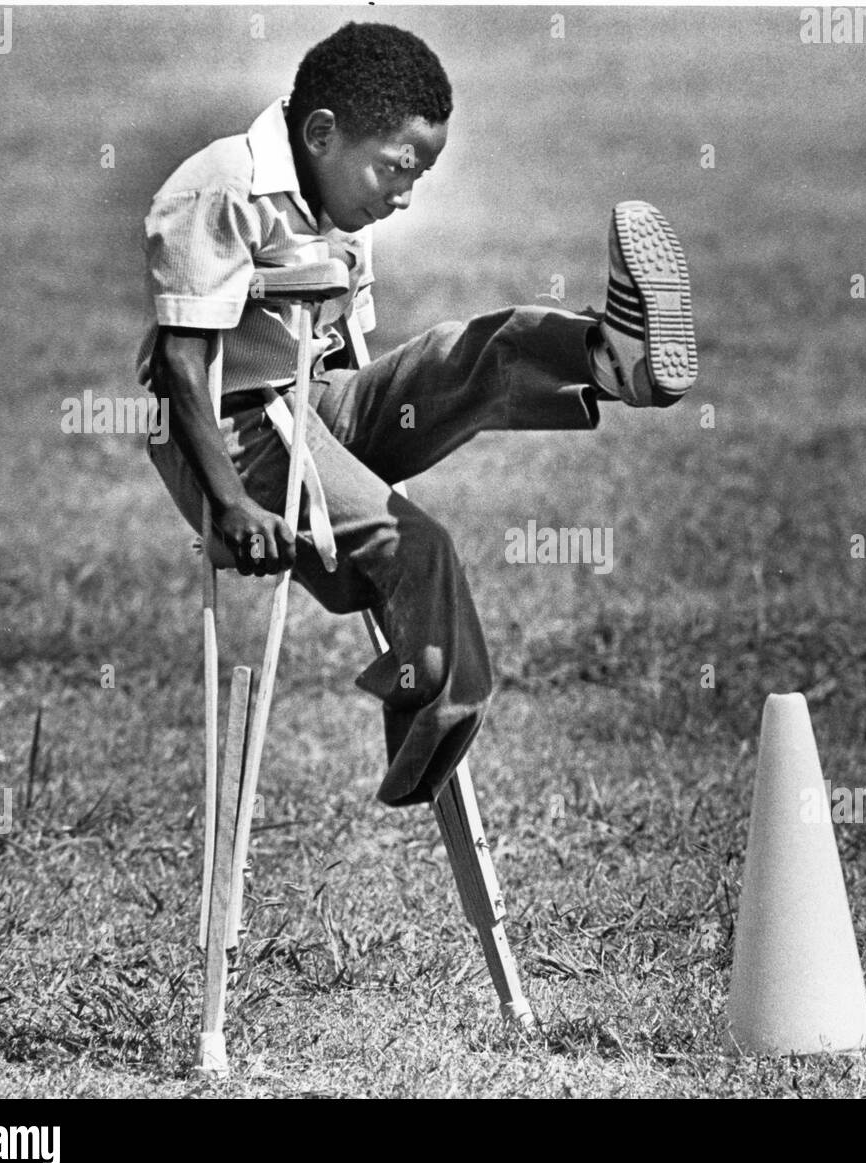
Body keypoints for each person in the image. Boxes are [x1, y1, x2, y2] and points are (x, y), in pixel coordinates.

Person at [140, 22, 697, 809]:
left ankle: (611, 358)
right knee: (418, 546)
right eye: (397, 170)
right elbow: (178, 365)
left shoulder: (339, 204)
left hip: (314, 403)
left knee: (461, 351)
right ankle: (427, 708)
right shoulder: (224, 189)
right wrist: (230, 503)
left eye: (420, 176)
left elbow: (347, 363)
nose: (405, 196)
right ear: (323, 133)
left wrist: (404, 415)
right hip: (233, 437)